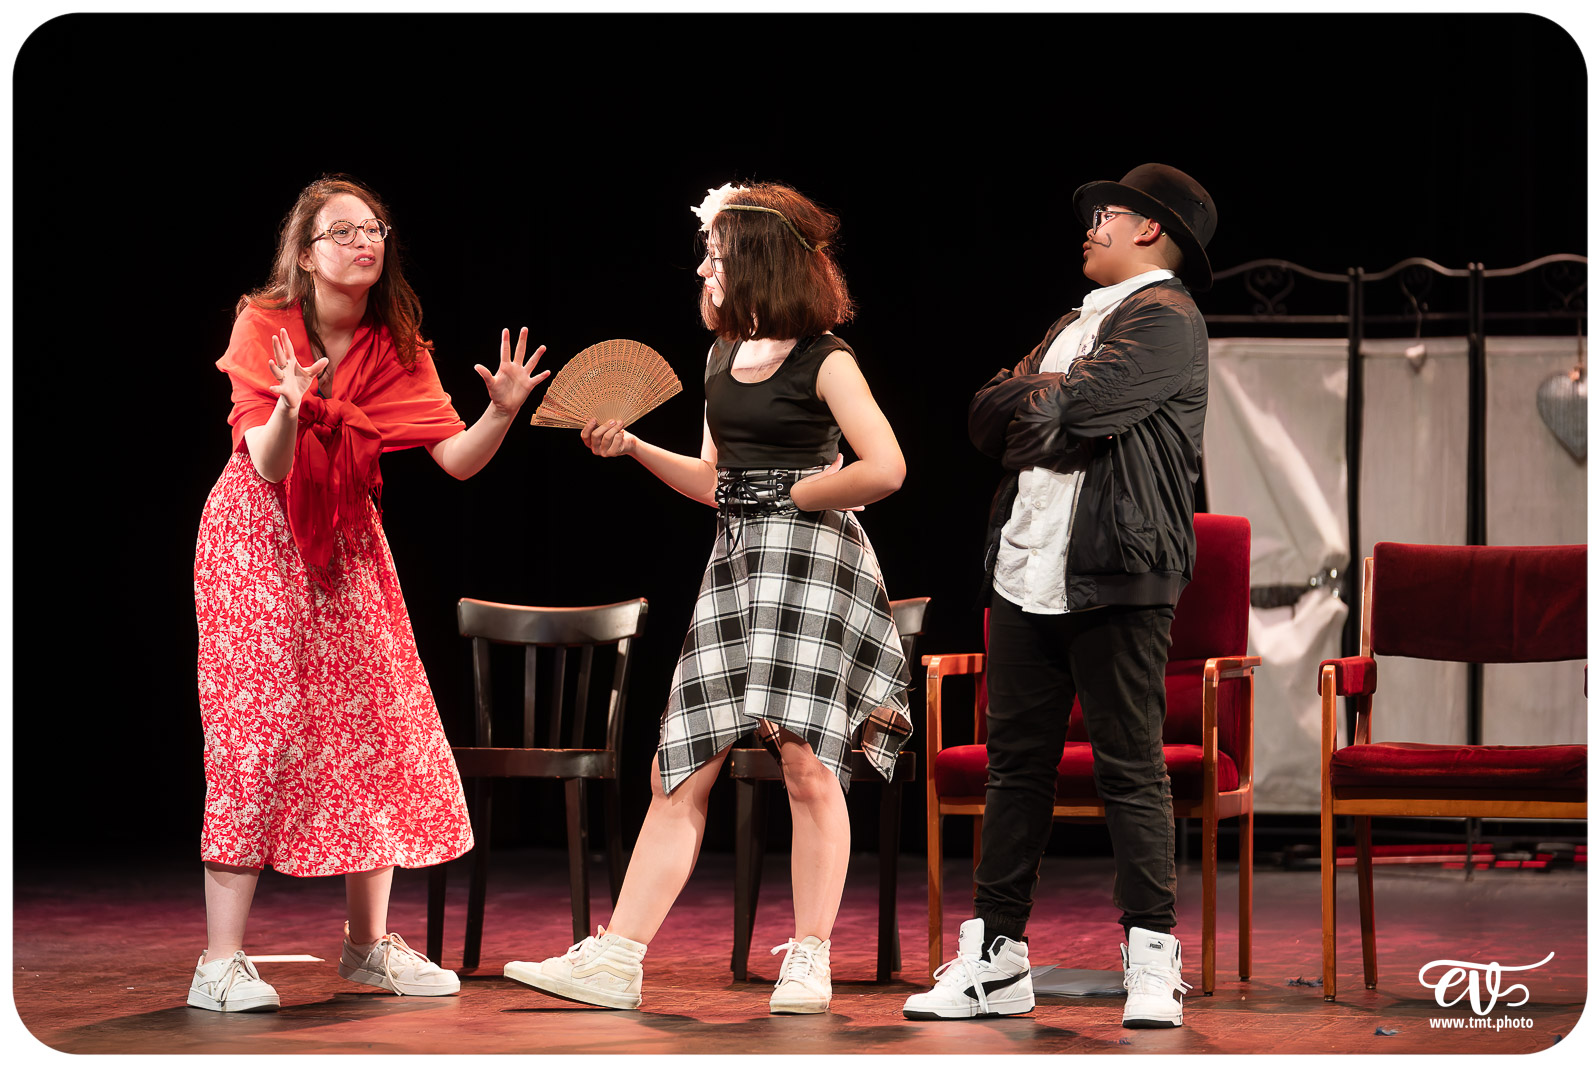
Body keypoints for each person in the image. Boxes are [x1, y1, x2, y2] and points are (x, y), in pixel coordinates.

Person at [503, 181, 912, 1015]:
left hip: (810, 562)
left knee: (805, 759)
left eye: (716, 256)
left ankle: (809, 957)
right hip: (736, 565)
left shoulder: (825, 358)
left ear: (757, 262)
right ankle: (618, 958)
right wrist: (633, 447)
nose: (702, 269)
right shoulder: (721, 358)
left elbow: (887, 467)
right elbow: (713, 480)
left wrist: (796, 493)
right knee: (681, 757)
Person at [190, 175, 550, 1012]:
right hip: (256, 538)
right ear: (306, 252)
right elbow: (268, 464)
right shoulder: (265, 323)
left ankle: (367, 945)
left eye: (375, 229)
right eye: (344, 231)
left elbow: (456, 459)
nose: (364, 242)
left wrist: (501, 412)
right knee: (255, 731)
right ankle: (219, 960)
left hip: (348, 538)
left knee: (375, 721)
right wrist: (290, 404)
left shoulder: (396, 345)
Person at [903, 164, 1217, 1029]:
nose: (1090, 225)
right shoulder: (1070, 322)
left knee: (1129, 766)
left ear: (1149, 229)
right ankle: (997, 958)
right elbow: (986, 416)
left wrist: (1039, 402)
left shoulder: (1168, 318)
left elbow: (1077, 405)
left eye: (1106, 214)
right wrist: (1035, 402)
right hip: (1025, 569)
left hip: (1118, 569)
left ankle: (1152, 957)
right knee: (1016, 769)